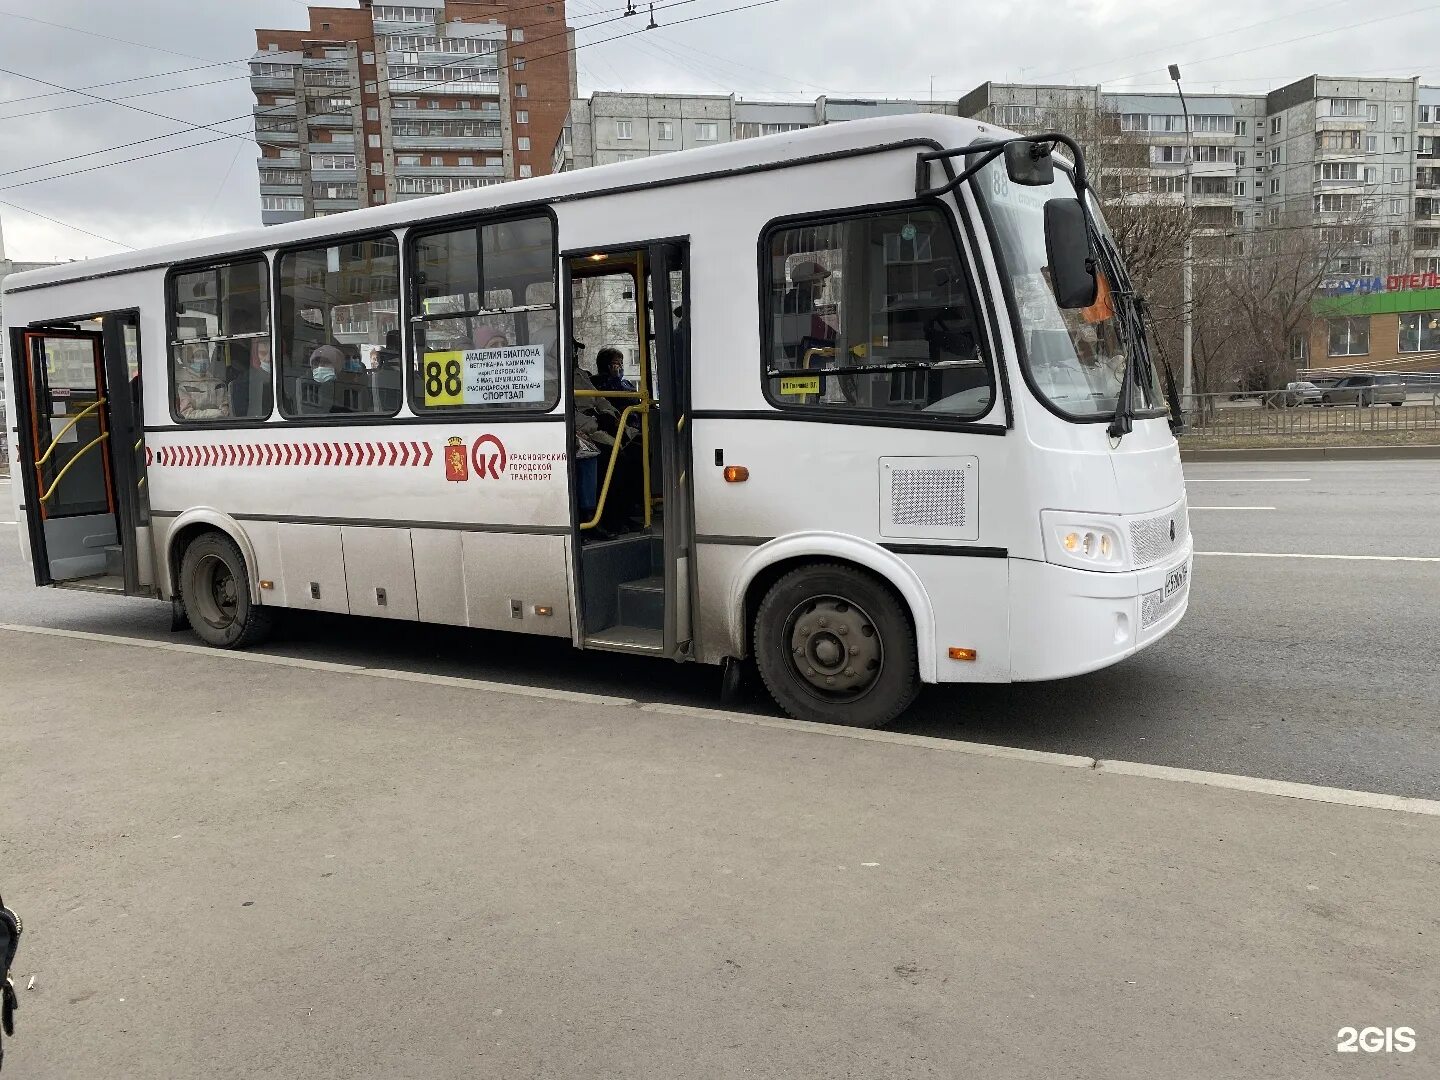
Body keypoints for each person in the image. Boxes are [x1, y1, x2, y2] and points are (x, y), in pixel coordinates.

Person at [174, 342, 229, 420]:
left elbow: (225, 411)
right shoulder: (183, 386)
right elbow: (187, 413)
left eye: (204, 356)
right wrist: (213, 413)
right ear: (189, 361)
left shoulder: (217, 384)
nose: (202, 360)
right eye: (197, 356)